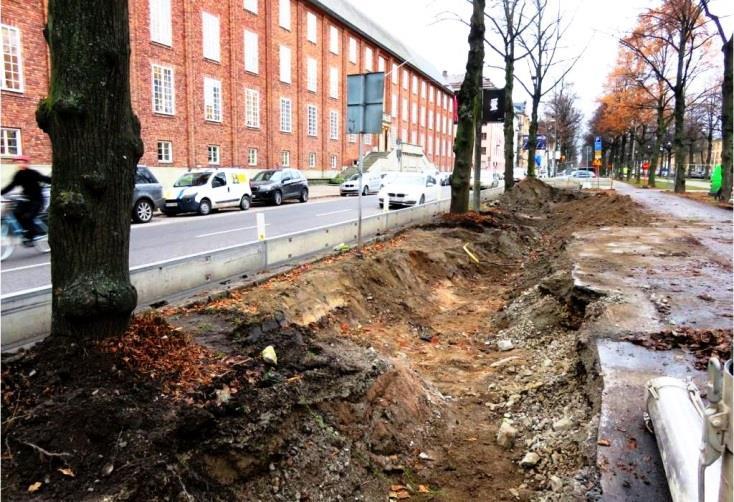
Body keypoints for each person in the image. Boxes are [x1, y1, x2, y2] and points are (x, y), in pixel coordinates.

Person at [1, 156, 51, 245]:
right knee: (16, 213)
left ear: (27, 163)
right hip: (26, 200)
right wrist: (1, 192)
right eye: (18, 162)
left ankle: (32, 235)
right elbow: (11, 185)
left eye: (22, 162)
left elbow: (45, 179)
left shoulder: (33, 173)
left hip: (37, 200)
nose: (20, 164)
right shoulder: (18, 175)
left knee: (28, 216)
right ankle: (27, 231)